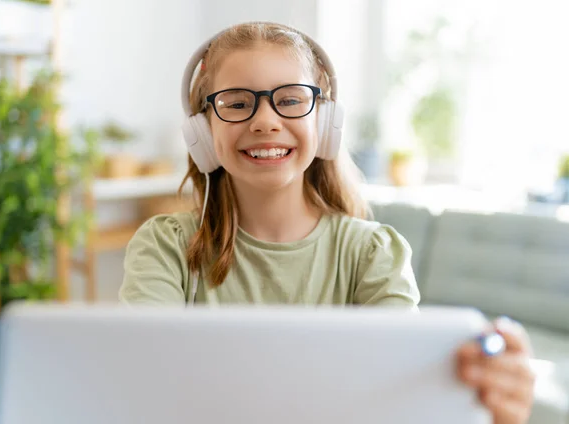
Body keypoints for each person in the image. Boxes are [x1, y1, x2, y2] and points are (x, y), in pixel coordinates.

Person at [119, 22, 535, 424]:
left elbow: (399, 406)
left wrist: (484, 410)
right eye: (237, 103)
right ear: (203, 131)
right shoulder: (165, 248)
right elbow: (139, 391)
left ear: (324, 120)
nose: (265, 121)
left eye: (292, 99)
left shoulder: (372, 255)